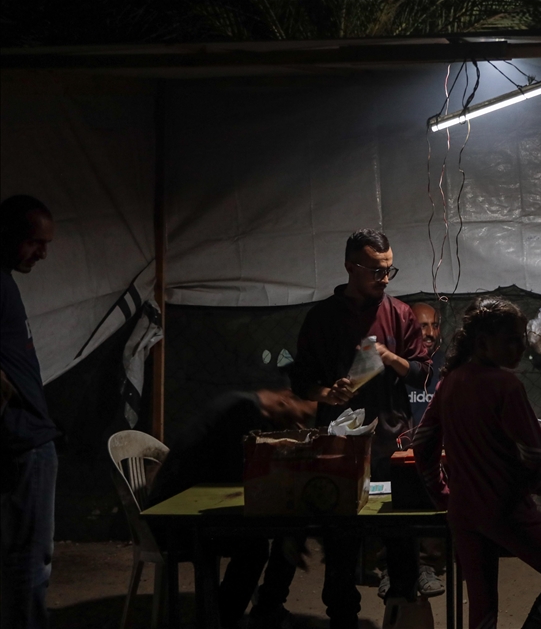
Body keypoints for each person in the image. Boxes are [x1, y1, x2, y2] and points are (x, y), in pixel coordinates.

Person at [289, 229, 431, 628]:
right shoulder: (322, 318)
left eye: (390, 270)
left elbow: (422, 375)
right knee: (341, 539)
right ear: (350, 266)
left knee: (401, 536)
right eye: (375, 271)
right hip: (339, 445)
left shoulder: (400, 313)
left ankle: (403, 608)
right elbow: (302, 382)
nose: (385, 279)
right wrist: (326, 393)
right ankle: (342, 616)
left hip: (392, 442)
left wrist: (390, 357)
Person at [413, 297, 541, 629]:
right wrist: (532, 482)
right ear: (484, 343)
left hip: (463, 511)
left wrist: (440, 491)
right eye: (512, 339)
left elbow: (422, 442)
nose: (521, 346)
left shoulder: (449, 382)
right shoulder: (505, 385)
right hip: (504, 509)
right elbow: (535, 451)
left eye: (522, 338)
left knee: (482, 603)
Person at [149, 389, 315, 629]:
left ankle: (258, 609)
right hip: (176, 521)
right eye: (300, 416)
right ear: (286, 399)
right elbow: (243, 478)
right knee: (256, 547)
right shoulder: (241, 412)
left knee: (282, 534)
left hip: (191, 509)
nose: (298, 424)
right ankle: (225, 618)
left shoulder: (244, 407)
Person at [1, 195, 57, 629]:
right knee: (28, 563)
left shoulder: (5, 282)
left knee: (20, 559)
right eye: (35, 242)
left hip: (24, 441)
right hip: (24, 443)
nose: (42, 252)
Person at [375, 302, 446, 599]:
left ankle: (427, 566)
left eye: (433, 326)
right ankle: (390, 567)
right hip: (395, 450)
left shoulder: (444, 365)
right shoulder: (395, 368)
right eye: (421, 326)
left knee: (431, 502)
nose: (428, 333)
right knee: (387, 504)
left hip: (431, 451)